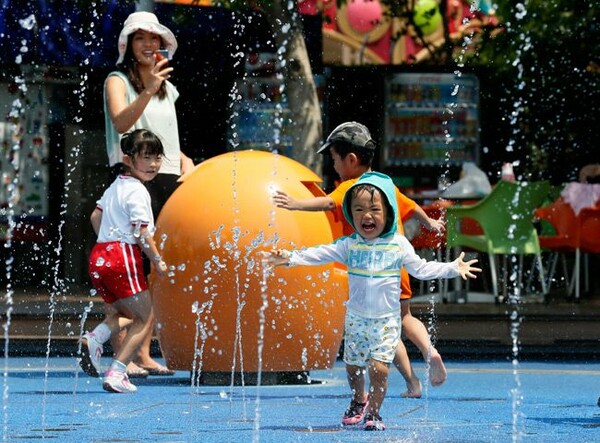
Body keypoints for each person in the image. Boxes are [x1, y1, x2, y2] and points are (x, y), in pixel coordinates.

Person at [265, 171, 481, 430]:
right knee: (353, 367)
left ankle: (375, 413)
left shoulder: (398, 245)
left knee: (379, 369)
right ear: (350, 214)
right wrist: (290, 258)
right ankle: (359, 399)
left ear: (388, 212)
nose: (367, 215)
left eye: (374, 209)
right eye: (359, 210)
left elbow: (422, 269)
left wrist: (452, 268)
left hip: (387, 322)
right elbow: (320, 253)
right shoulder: (349, 245)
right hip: (356, 319)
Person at [273, 121, 446, 398]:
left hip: (372, 269)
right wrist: (430, 223)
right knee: (403, 319)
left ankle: (407, 382)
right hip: (396, 264)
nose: (334, 167)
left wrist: (296, 204)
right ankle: (428, 353)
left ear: (351, 160)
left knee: (382, 331)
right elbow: (411, 206)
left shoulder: (354, 187)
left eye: (334, 160)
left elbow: (329, 203)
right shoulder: (384, 183)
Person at [103, 11, 194, 376]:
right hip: (134, 179)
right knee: (133, 268)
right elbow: (122, 122)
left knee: (154, 270)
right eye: (140, 38)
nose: (148, 44)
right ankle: (113, 344)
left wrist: (187, 162)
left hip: (168, 177)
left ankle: (139, 352)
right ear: (128, 45)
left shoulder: (165, 86)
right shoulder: (117, 79)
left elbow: (167, 137)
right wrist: (148, 90)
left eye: (154, 38)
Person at [79, 129, 168, 393]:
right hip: (122, 255)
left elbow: (95, 217)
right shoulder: (138, 191)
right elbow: (141, 231)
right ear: (128, 159)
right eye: (147, 158)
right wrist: (157, 260)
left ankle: (95, 338)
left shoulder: (114, 186)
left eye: (157, 157)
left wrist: (107, 241)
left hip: (100, 255)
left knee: (125, 313)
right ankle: (117, 371)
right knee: (145, 316)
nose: (154, 164)